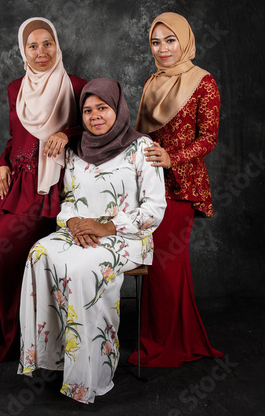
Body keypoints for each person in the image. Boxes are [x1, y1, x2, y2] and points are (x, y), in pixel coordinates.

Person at [17, 78, 167, 404]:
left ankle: (88, 377)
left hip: (126, 235)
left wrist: (107, 227)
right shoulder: (76, 150)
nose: (95, 115)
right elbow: (69, 200)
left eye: (103, 108)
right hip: (79, 228)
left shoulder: (142, 148)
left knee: (83, 268)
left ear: (118, 109)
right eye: (87, 110)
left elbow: (154, 210)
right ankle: (54, 358)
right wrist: (72, 222)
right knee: (39, 252)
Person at [0, 17, 87, 362]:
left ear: (57, 45)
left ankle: (43, 341)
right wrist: (2, 163)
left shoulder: (78, 86)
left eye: (47, 43)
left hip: (59, 188)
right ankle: (9, 336)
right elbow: (15, 137)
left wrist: (67, 133)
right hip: (22, 184)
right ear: (23, 50)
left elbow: (99, 127)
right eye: (32, 46)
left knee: (33, 259)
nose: (41, 52)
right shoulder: (15, 89)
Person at [128, 11, 223, 368]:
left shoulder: (204, 81)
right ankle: (175, 336)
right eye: (156, 41)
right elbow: (142, 137)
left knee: (164, 263)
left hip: (183, 186)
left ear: (184, 40)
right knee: (160, 263)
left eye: (170, 40)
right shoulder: (152, 82)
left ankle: (165, 345)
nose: (163, 48)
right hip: (150, 184)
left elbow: (208, 138)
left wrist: (173, 158)